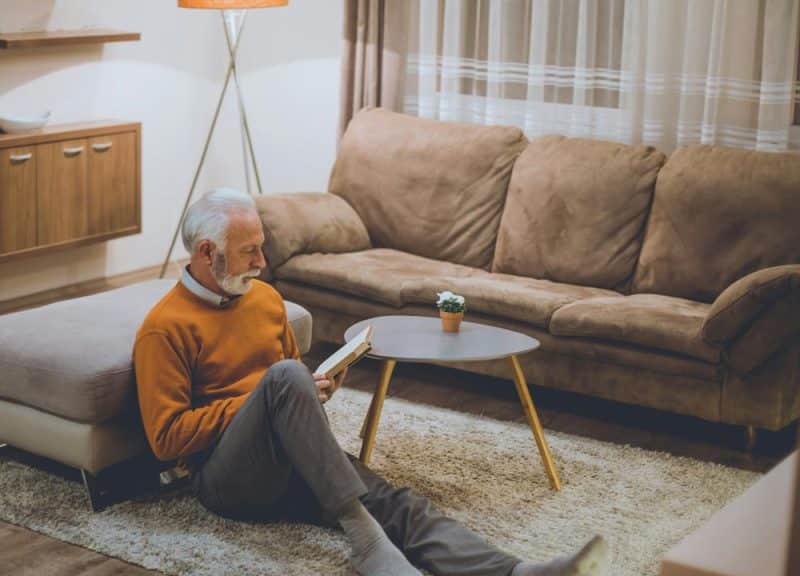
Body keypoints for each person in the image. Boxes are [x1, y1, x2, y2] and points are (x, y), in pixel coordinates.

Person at [134, 188, 610, 576]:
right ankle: (363, 536)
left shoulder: (265, 299)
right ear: (206, 252)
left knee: (399, 501)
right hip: (225, 481)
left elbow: (287, 390)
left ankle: (519, 573)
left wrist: (314, 390)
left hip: (287, 458)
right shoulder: (166, 327)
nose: (263, 259)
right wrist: (265, 396)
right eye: (249, 250)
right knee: (284, 377)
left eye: (261, 245)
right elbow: (167, 438)